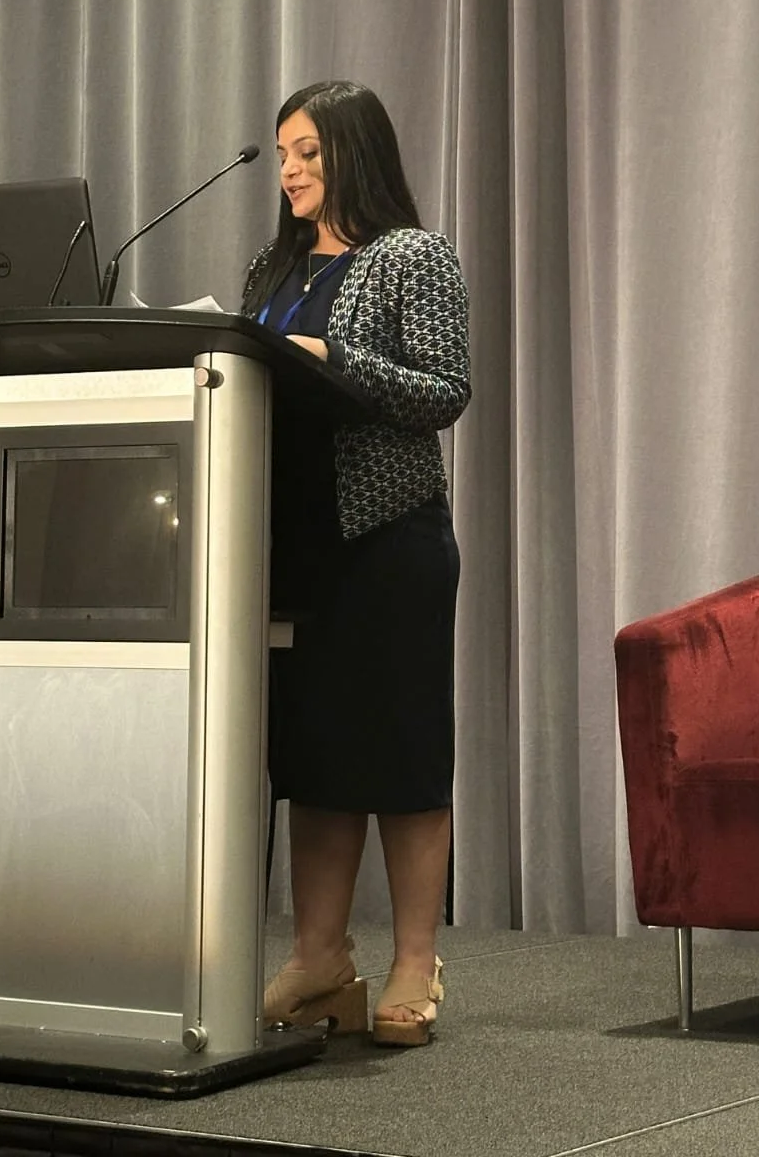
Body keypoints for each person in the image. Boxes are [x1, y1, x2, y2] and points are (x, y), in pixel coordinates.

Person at [242, 79, 471, 1047]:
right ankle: (322, 956)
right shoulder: (275, 268)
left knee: (402, 755)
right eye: (284, 154)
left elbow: (446, 387)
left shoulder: (412, 257)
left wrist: (330, 358)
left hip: (390, 541)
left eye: (307, 153)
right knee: (318, 755)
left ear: (352, 155)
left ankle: (416, 963)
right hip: (294, 545)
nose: (289, 171)